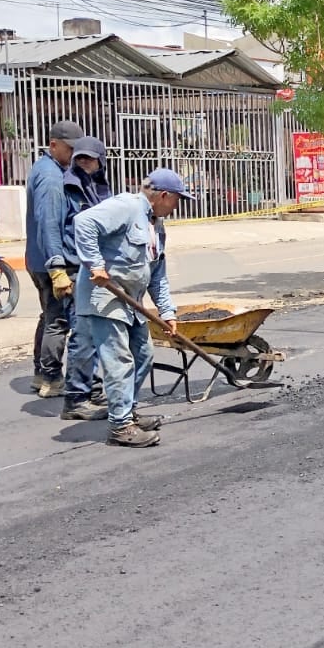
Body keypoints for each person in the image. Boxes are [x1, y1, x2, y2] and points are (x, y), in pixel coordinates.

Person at [73, 169, 192, 447]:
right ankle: (120, 426)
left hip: (132, 300)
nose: (177, 206)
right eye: (177, 200)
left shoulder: (156, 224)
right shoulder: (126, 206)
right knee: (119, 361)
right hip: (106, 298)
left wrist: (168, 313)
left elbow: (157, 273)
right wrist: (96, 265)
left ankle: (127, 411)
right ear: (163, 195)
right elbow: (83, 222)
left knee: (144, 355)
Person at [26, 120, 86, 398]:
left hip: (38, 259)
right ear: (53, 145)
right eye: (70, 149)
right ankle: (51, 378)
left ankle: (41, 373)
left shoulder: (46, 167)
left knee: (48, 316)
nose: (75, 155)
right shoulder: (51, 178)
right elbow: (50, 224)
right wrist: (58, 268)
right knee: (58, 321)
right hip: (51, 260)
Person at [58, 137, 113, 421]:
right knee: (82, 335)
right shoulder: (66, 187)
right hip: (73, 267)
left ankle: (92, 390)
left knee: (96, 334)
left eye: (89, 159)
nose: (84, 163)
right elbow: (53, 229)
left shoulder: (101, 188)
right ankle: (76, 398)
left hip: (97, 270)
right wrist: (58, 269)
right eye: (80, 158)